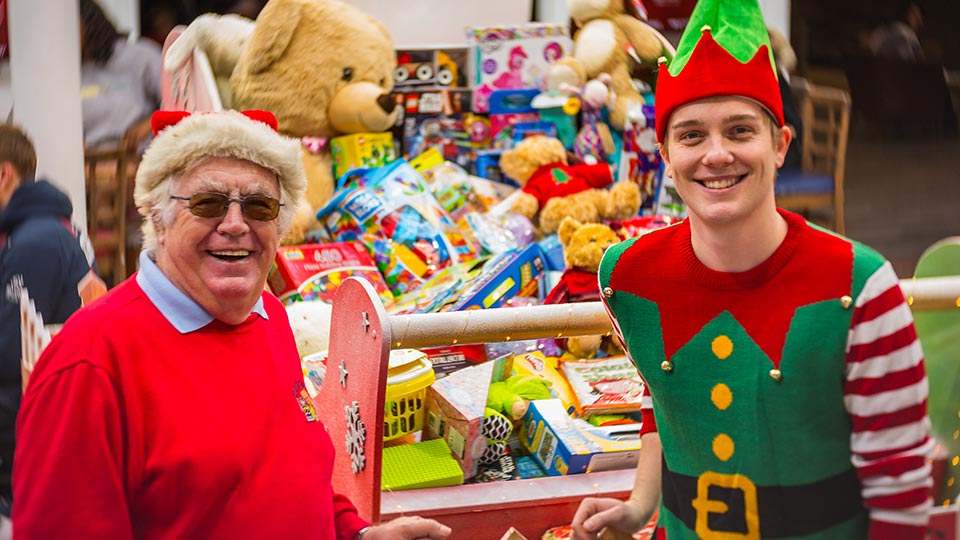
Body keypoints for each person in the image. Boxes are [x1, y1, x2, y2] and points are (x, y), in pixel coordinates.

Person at [571, 0, 933, 538]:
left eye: (740, 130)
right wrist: (639, 504)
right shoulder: (626, 277)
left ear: (781, 145)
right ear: (666, 158)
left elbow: (900, 486)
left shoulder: (862, 286)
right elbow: (663, 395)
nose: (716, 154)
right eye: (691, 135)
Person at [12, 110, 451, 540]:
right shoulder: (89, 362)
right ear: (159, 219)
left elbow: (297, 480)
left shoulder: (269, 315)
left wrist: (356, 534)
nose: (236, 224)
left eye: (259, 206)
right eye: (209, 203)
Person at [0, 123, 100, 517]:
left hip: (27, 453)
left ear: (3, 173)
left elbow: (10, 359)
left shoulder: (34, 241)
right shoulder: (47, 227)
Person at [80, 0, 162, 150]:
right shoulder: (70, 73)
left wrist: (150, 123)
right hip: (93, 165)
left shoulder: (142, 56)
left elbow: (179, 104)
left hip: (142, 159)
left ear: (89, 23)